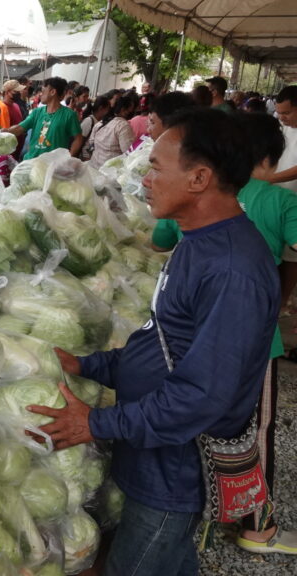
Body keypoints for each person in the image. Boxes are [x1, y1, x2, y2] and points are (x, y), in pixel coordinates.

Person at [31, 108, 279, 575]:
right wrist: (92, 365)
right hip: (154, 457)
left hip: (175, 473)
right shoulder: (199, 242)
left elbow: (201, 395)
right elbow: (163, 339)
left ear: (199, 178)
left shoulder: (233, 271)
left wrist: (97, 423)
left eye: (157, 168)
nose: (145, 179)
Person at [149, 112, 297, 555]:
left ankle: (211, 515)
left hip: (194, 334)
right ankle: (255, 526)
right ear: (269, 158)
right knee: (254, 430)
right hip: (257, 343)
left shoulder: (193, 198)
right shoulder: (279, 201)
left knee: (201, 421)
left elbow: (160, 241)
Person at [4, 77, 83, 160]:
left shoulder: (69, 115)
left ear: (52, 92)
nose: (40, 94)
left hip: (53, 164)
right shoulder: (36, 112)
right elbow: (20, 128)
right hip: (32, 161)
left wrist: (69, 157)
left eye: (43, 91)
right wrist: (5, 132)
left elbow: (78, 138)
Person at [87, 92, 137, 167]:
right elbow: (128, 152)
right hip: (110, 170)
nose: (132, 112)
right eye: (131, 110)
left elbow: (91, 143)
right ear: (123, 110)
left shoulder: (100, 122)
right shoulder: (123, 126)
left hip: (94, 166)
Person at [270, 85, 297, 193]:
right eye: (279, 113)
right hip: (278, 192)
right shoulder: (282, 126)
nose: (281, 118)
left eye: (286, 113)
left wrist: (269, 179)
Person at [80, 95, 111, 161]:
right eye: (107, 109)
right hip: (84, 157)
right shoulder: (89, 121)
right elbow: (80, 140)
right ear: (101, 108)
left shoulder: (101, 122)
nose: (108, 112)